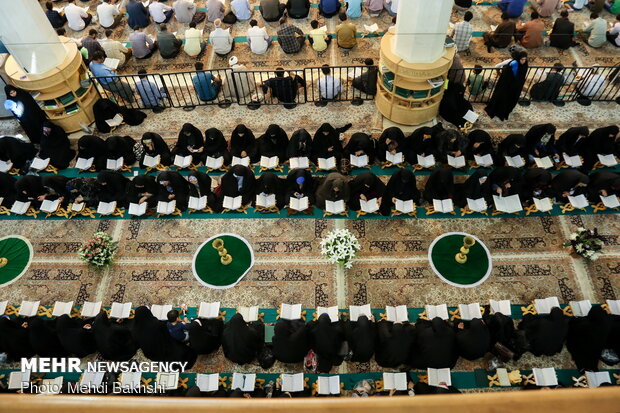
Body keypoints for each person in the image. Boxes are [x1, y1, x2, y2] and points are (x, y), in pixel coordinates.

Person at [485, 50, 528, 120]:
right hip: (506, 86)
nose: (523, 61)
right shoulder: (513, 64)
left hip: (515, 88)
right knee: (502, 99)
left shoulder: (524, 66)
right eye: (522, 59)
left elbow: (521, 77)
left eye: (525, 60)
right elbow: (506, 75)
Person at [566, 306, 611, 372]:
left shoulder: (583, 324)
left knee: (572, 336)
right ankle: (590, 368)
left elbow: (572, 324)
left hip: (581, 345)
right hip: (595, 349)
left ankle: (583, 366)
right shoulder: (605, 325)